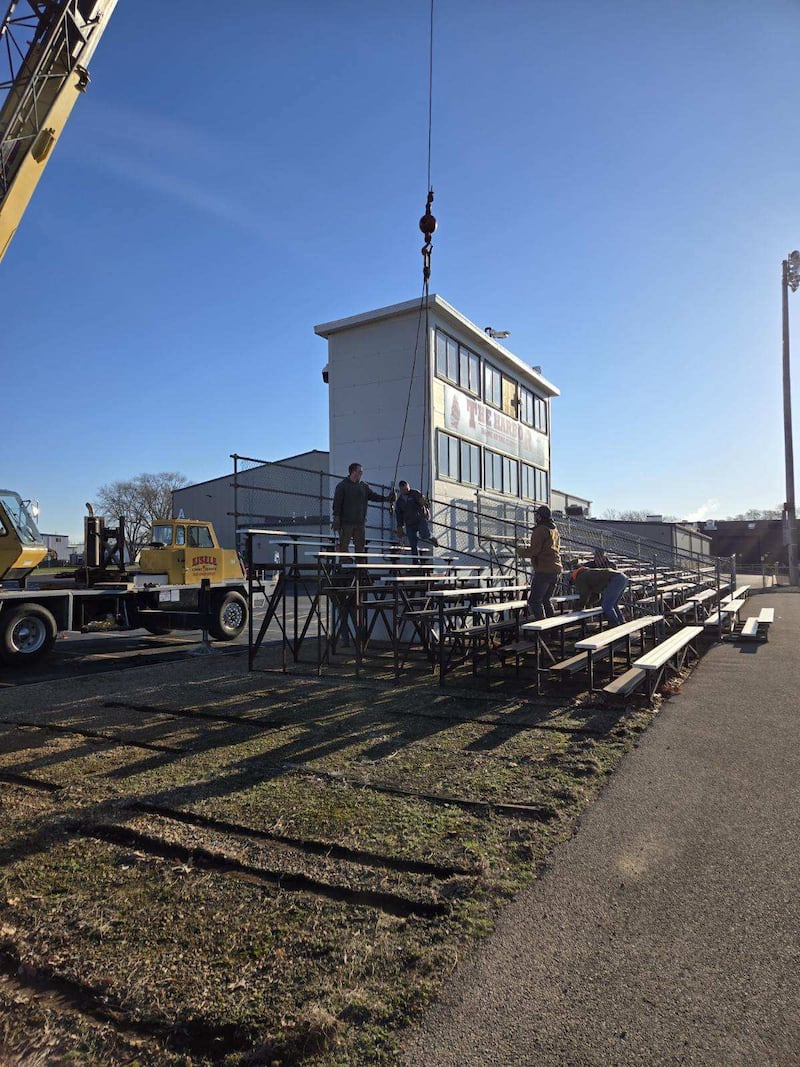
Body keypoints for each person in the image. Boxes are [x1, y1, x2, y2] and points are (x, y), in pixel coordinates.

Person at [331, 463, 392, 554]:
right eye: (359, 471)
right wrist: (336, 517)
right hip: (345, 522)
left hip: (360, 522)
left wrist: (387, 498)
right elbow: (337, 503)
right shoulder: (342, 486)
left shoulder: (363, 486)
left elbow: (373, 496)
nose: (361, 474)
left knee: (360, 548)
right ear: (353, 472)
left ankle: (359, 563)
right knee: (343, 546)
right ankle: (345, 562)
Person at [518, 505, 562, 619]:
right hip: (556, 569)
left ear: (539, 516)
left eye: (536, 515)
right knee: (546, 599)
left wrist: (520, 551)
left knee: (534, 601)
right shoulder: (554, 530)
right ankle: (552, 626)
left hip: (544, 569)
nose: (535, 517)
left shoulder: (541, 530)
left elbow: (535, 550)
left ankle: (541, 626)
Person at [394, 480, 439, 561]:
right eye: (404, 489)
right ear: (401, 490)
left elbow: (426, 503)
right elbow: (399, 515)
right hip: (409, 523)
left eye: (407, 488)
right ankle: (415, 561)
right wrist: (400, 526)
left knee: (425, 535)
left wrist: (424, 502)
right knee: (413, 543)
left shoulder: (415, 493)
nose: (407, 490)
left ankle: (432, 539)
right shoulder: (399, 501)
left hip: (420, 519)